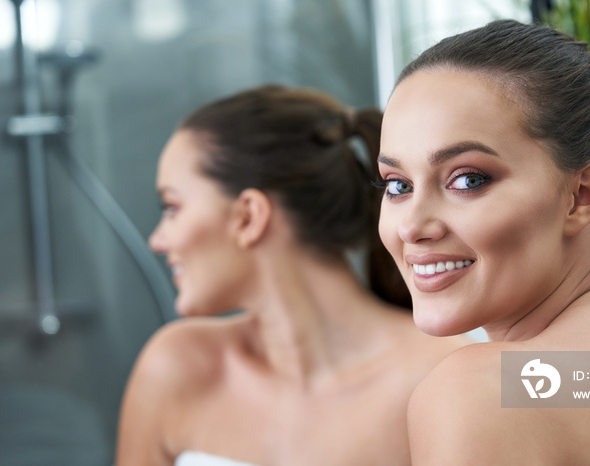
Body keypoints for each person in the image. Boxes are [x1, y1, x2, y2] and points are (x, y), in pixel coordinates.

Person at [377, 19, 590, 464]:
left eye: (467, 179)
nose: (412, 227)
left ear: (581, 196)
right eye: (397, 185)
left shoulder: (480, 391)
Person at [115, 84, 471, 466]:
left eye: (172, 208)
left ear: (248, 217)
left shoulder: (453, 378)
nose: (157, 240)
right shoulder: (174, 368)